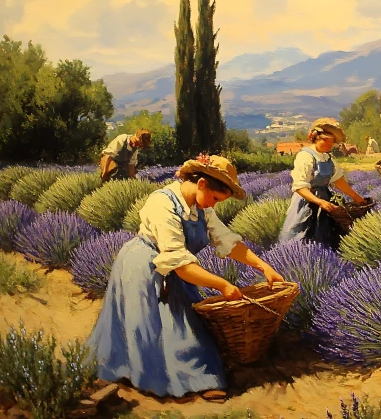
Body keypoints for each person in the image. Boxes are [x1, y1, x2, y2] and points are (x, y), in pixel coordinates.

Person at [87, 154, 286, 401]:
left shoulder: (200, 207)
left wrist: (263, 267)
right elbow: (179, 263)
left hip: (179, 267)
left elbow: (226, 241)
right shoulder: (162, 203)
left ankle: (197, 377)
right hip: (145, 267)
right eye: (214, 198)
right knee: (150, 326)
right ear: (202, 183)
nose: (214, 205)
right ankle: (151, 375)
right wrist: (223, 284)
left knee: (185, 324)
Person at [279, 118, 368, 251]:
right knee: (302, 237)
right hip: (307, 202)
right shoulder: (306, 156)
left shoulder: (329, 158)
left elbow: (339, 181)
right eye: (325, 140)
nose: (329, 144)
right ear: (315, 138)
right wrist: (320, 202)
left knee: (329, 238)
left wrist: (357, 198)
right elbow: (300, 187)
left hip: (326, 200)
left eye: (332, 141)